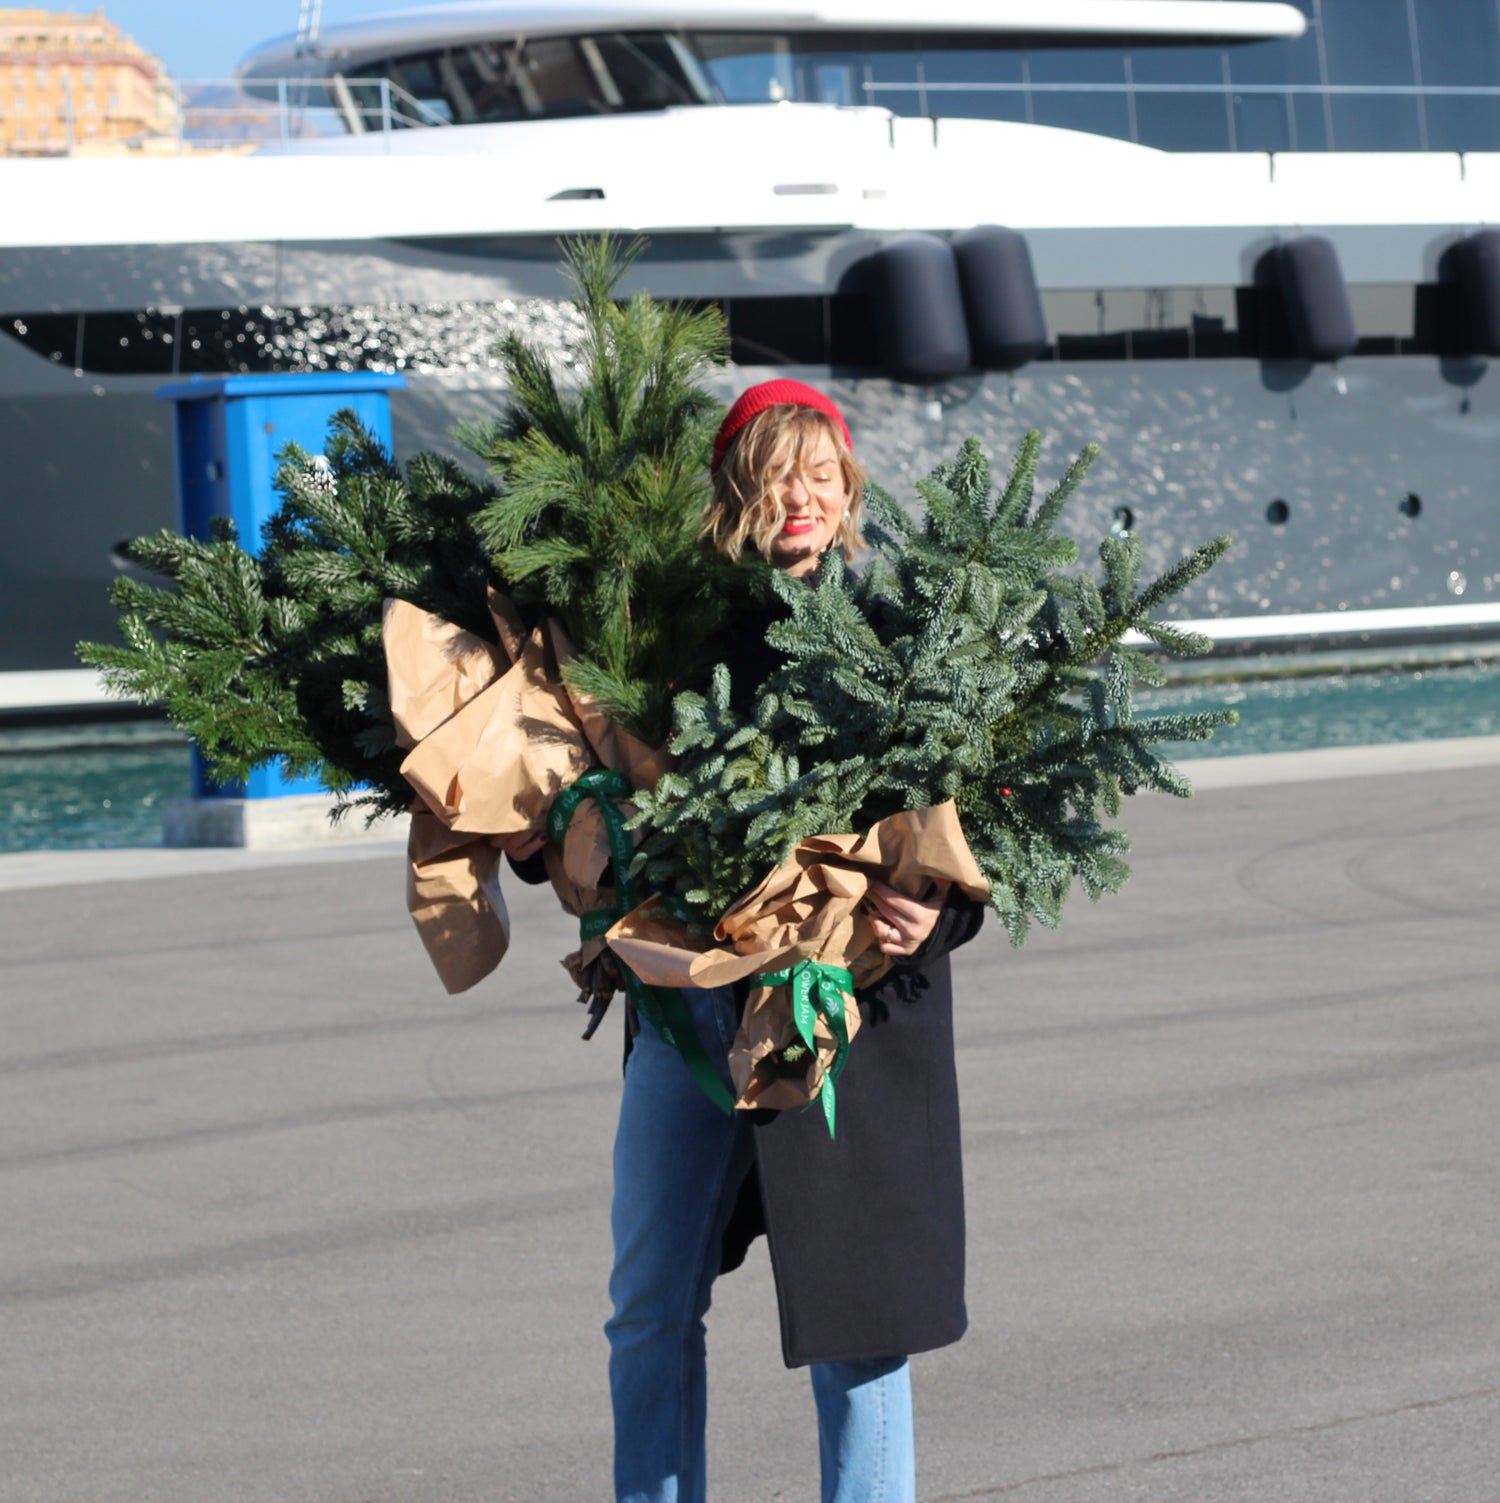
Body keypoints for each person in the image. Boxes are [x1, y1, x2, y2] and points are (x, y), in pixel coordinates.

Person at [604, 379, 985, 1503]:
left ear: (849, 488)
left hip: (846, 1019)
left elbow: (974, 827)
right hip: (690, 1016)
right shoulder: (667, 651)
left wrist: (938, 913)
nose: (801, 497)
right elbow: (580, 794)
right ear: (737, 489)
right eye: (778, 474)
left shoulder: (895, 645)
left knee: (858, 1326)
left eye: (821, 475)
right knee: (648, 1302)